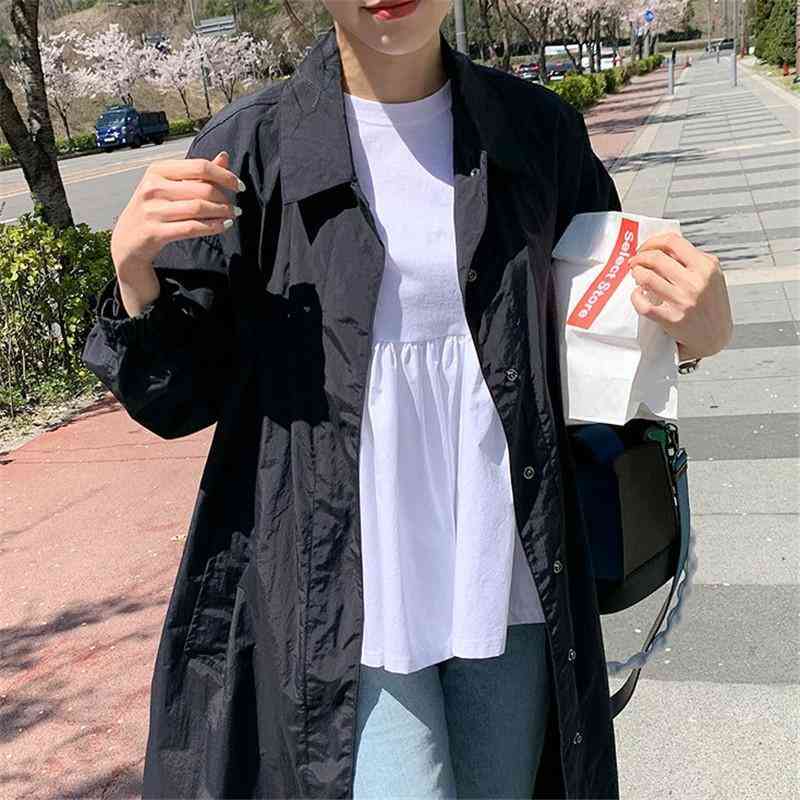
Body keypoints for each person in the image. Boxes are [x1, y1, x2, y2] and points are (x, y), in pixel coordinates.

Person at [82, 2, 733, 798]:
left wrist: (695, 330)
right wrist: (135, 276)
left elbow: (608, 326)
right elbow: (180, 396)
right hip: (345, 587)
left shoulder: (536, 131)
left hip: (506, 569)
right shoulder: (254, 149)